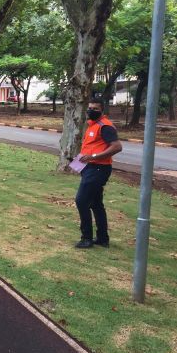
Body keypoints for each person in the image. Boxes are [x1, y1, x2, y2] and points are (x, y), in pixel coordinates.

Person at [74, 98, 122, 248]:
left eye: (95, 109)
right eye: (89, 108)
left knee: (81, 201)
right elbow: (89, 148)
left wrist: (94, 157)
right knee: (96, 203)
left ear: (102, 110)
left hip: (99, 169)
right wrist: (77, 165)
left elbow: (117, 147)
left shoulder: (105, 126)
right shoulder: (91, 125)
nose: (91, 111)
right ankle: (102, 238)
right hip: (89, 168)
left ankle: (86, 238)